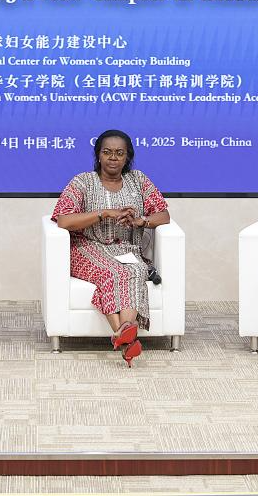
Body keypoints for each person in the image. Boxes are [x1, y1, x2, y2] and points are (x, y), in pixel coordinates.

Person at [52, 129, 171, 367]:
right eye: (107, 152)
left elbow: (164, 215)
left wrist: (141, 221)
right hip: (87, 247)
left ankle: (124, 334)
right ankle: (127, 338)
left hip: (126, 249)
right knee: (114, 273)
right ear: (98, 156)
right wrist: (103, 213)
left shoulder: (138, 180)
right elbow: (63, 220)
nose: (113, 158)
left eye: (119, 153)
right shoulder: (83, 181)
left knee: (135, 270)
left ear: (128, 157)